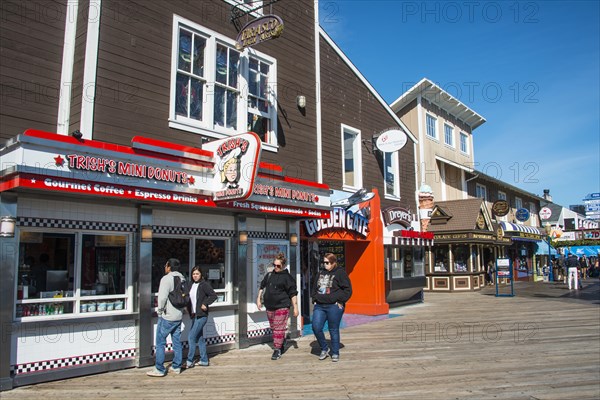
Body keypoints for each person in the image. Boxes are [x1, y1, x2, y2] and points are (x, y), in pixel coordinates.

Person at [147, 258, 186, 377]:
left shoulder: (166, 279)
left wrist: (159, 311)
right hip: (178, 315)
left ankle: (159, 368)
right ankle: (176, 366)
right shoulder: (183, 278)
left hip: (167, 316)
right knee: (176, 342)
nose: (165, 267)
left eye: (165, 265)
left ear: (169, 267)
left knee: (160, 342)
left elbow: (162, 297)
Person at [256, 253, 299, 361]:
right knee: (274, 328)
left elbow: (293, 293)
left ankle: (277, 349)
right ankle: (281, 341)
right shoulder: (269, 275)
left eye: (278, 266)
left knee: (278, 329)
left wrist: (295, 307)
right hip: (269, 305)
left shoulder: (287, 278)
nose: (276, 267)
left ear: (283, 265)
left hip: (282, 305)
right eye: (274, 265)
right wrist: (258, 299)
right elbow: (262, 286)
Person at [311, 253, 352, 363]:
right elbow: (314, 287)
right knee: (316, 327)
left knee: (333, 329)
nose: (325, 265)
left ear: (333, 263)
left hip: (333, 306)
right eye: (323, 262)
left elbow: (348, 289)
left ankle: (335, 352)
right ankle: (324, 348)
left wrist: (341, 300)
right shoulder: (320, 273)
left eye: (327, 263)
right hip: (319, 305)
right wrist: (314, 299)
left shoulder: (340, 273)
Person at [185, 266, 217, 368]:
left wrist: (205, 303)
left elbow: (213, 295)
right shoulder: (191, 284)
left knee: (191, 336)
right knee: (200, 338)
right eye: (193, 274)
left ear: (201, 275)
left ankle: (189, 360)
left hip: (201, 315)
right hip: (194, 315)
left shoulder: (204, 285)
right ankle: (204, 360)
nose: (195, 276)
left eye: (197, 274)